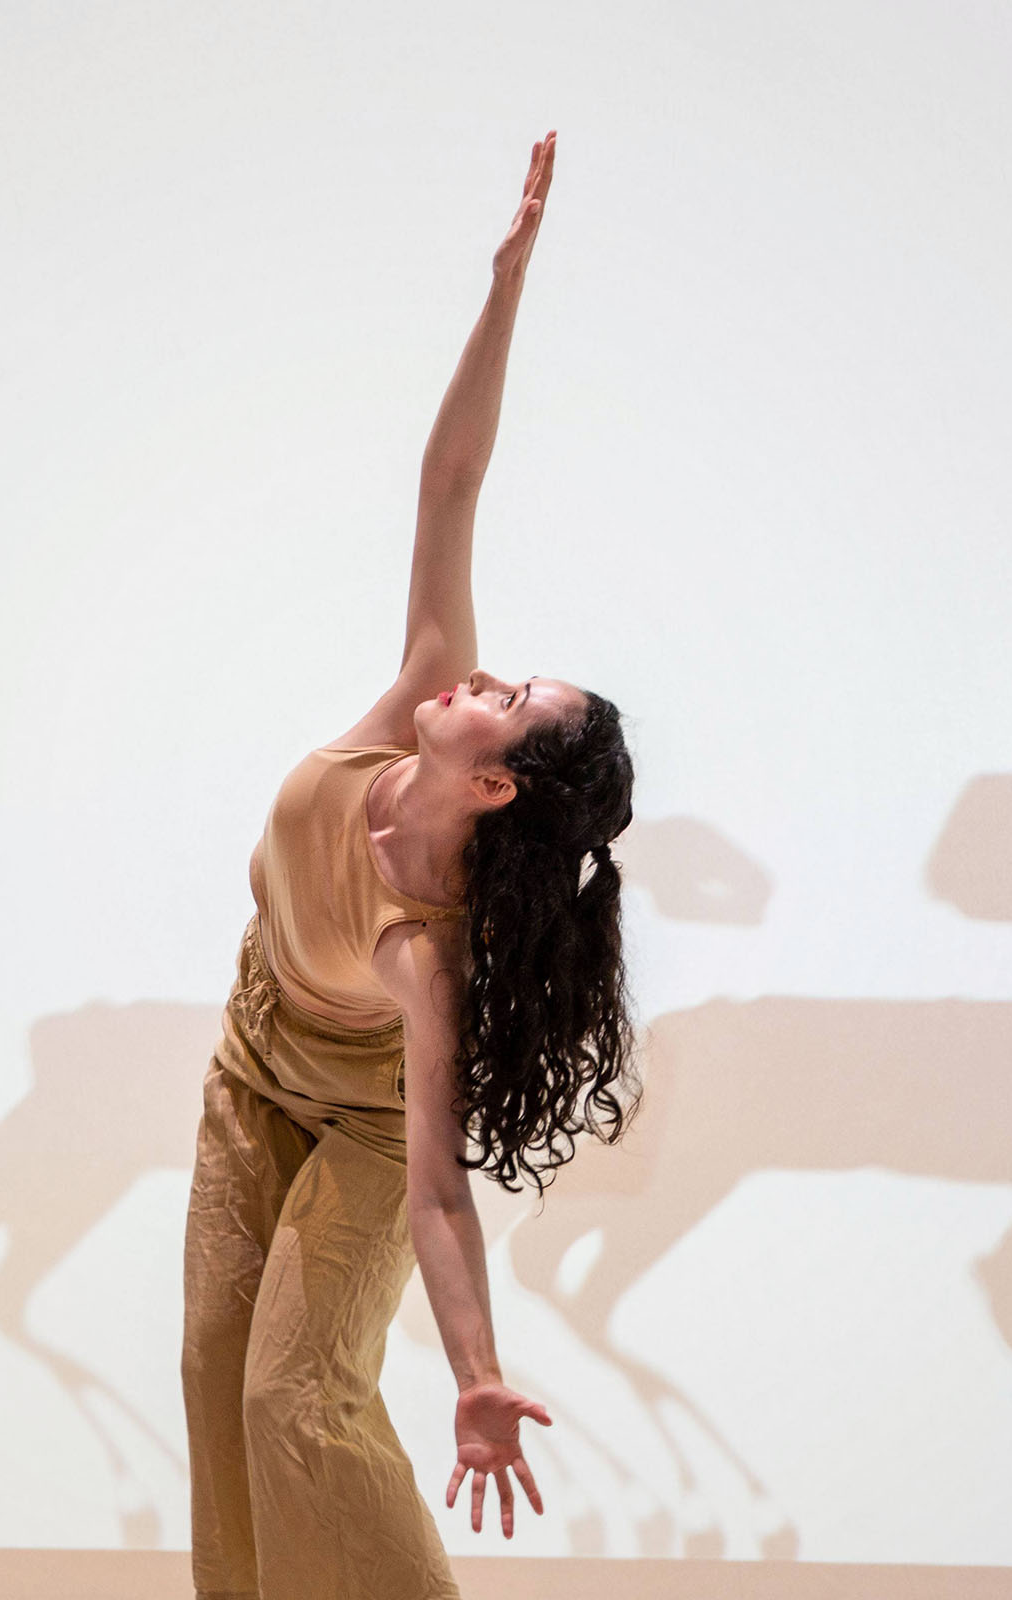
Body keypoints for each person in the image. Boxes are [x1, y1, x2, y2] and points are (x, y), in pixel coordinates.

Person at [180, 131, 640, 1600]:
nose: (482, 671)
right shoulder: (419, 694)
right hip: (258, 1072)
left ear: (495, 779)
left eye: (511, 698)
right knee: (213, 1382)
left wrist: (480, 1373)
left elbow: (440, 1190)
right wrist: (506, 283)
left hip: (371, 1127)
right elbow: (451, 481)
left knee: (294, 1399)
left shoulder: (421, 954)